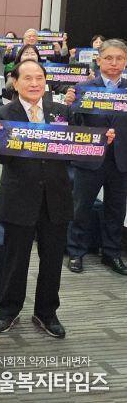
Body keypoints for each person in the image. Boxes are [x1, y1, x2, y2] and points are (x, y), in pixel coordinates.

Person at [0, 60, 111, 338]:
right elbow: (4, 159)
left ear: (45, 82)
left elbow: (75, 147)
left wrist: (100, 141)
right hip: (19, 197)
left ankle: (46, 312)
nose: (34, 83)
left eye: (39, 78)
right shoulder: (2, 114)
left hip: (56, 196)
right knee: (15, 260)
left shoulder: (61, 111)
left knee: (52, 260)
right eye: (27, 78)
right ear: (15, 82)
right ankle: (8, 310)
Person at [66, 39, 127, 275]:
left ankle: (112, 253)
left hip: (121, 158)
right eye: (109, 58)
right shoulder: (84, 88)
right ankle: (76, 251)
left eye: (119, 58)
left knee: (116, 209)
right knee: (81, 207)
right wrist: (70, 106)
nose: (114, 63)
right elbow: (73, 125)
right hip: (90, 157)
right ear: (99, 60)